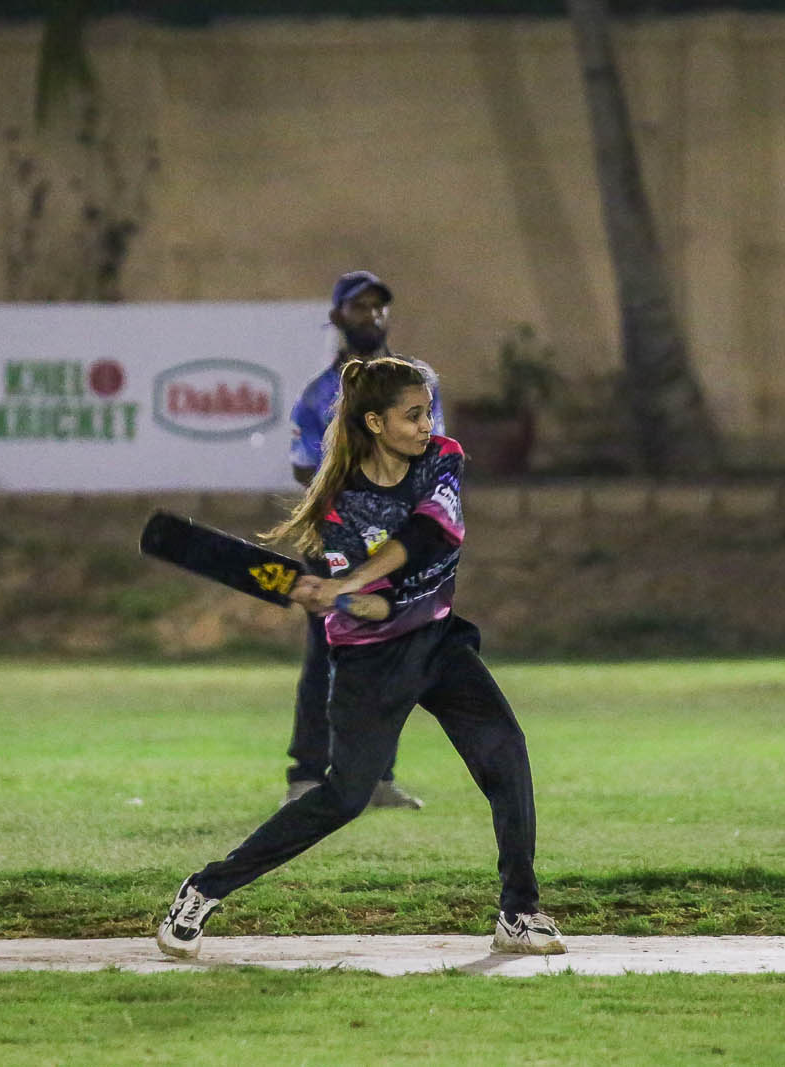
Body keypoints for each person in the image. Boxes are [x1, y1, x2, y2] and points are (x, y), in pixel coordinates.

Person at [157, 356, 566, 959]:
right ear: (375, 423)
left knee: (506, 752)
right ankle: (204, 889)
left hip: (439, 641)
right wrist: (341, 595)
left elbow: (431, 533)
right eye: (413, 415)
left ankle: (519, 912)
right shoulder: (340, 508)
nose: (427, 425)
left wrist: (345, 584)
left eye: (427, 412)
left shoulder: (442, 458)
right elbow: (375, 610)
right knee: (345, 798)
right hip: (371, 661)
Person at [279, 270, 444, 810]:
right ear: (338, 317)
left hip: (393, 543)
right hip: (335, 539)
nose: (371, 317)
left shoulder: (418, 384)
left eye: (378, 307)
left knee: (393, 659)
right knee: (327, 655)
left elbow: (431, 451)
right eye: (359, 308)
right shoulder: (321, 394)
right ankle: (307, 774)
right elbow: (305, 468)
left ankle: (376, 777)